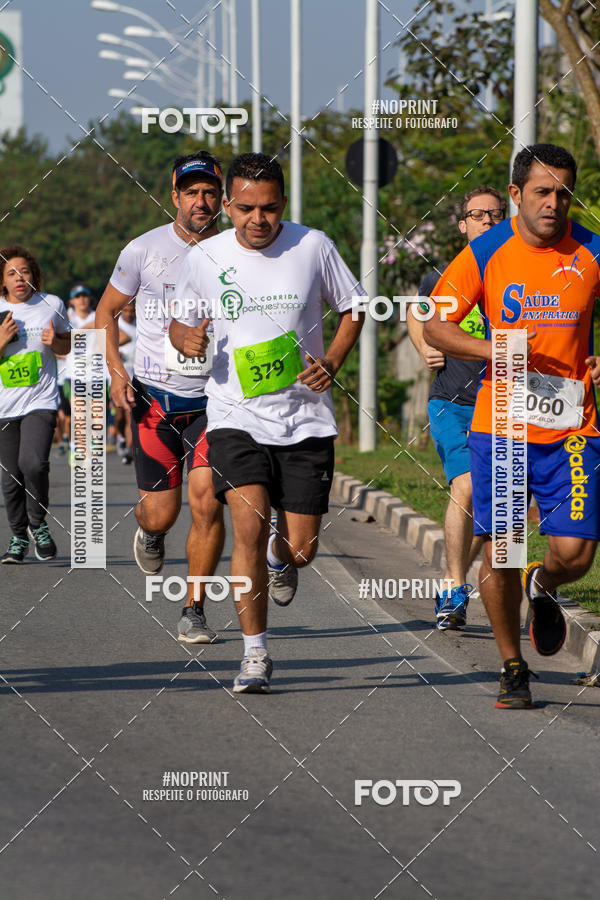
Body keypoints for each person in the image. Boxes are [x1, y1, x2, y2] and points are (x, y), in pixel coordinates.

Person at [170, 152, 365, 693]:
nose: (260, 219)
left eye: (271, 208)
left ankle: (286, 559)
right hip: (235, 414)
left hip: (305, 418)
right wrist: (185, 340)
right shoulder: (204, 257)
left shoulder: (313, 245)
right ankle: (255, 654)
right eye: (248, 208)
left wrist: (332, 362)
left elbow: (354, 308)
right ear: (227, 205)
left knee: (300, 548)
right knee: (248, 526)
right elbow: (181, 325)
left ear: (283, 205)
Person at [424, 144, 600, 709]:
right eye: (544, 192)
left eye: (564, 193)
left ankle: (542, 584)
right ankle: (512, 665)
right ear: (518, 195)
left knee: (575, 552)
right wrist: (492, 347)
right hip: (500, 424)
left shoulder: (592, 249)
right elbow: (436, 325)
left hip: (572, 423)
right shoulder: (485, 251)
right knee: (504, 548)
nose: (555, 204)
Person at [95, 151, 225, 644]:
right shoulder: (143, 251)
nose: (200, 200)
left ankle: (194, 608)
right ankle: (150, 531)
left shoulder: (236, 253)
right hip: (154, 400)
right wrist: (115, 372)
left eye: (210, 192)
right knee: (161, 513)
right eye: (191, 192)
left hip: (216, 400)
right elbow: (106, 313)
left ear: (221, 198)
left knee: (208, 502)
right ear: (174, 196)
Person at [408, 186, 507, 630]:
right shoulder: (445, 274)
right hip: (452, 402)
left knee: (501, 505)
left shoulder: (513, 272)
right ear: (462, 224)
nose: (488, 220)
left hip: (502, 403)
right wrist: (422, 347)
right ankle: (452, 586)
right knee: (465, 486)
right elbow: (417, 312)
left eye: (496, 214)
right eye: (478, 214)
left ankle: (460, 579)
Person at [0, 245, 71, 563]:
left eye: (25, 272)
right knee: (9, 476)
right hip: (4, 406)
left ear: (34, 276)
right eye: (11, 273)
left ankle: (38, 524)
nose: (19, 278)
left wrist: (54, 342)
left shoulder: (51, 304)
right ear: (3, 281)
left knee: (33, 464)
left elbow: (68, 344)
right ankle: (18, 537)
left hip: (40, 400)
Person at [115, 299, 136, 465]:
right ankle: (120, 437)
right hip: (119, 375)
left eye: (132, 311)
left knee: (131, 414)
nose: (129, 314)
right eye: (126, 311)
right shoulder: (116, 324)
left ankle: (130, 449)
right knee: (120, 415)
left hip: (136, 375)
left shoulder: (141, 322)